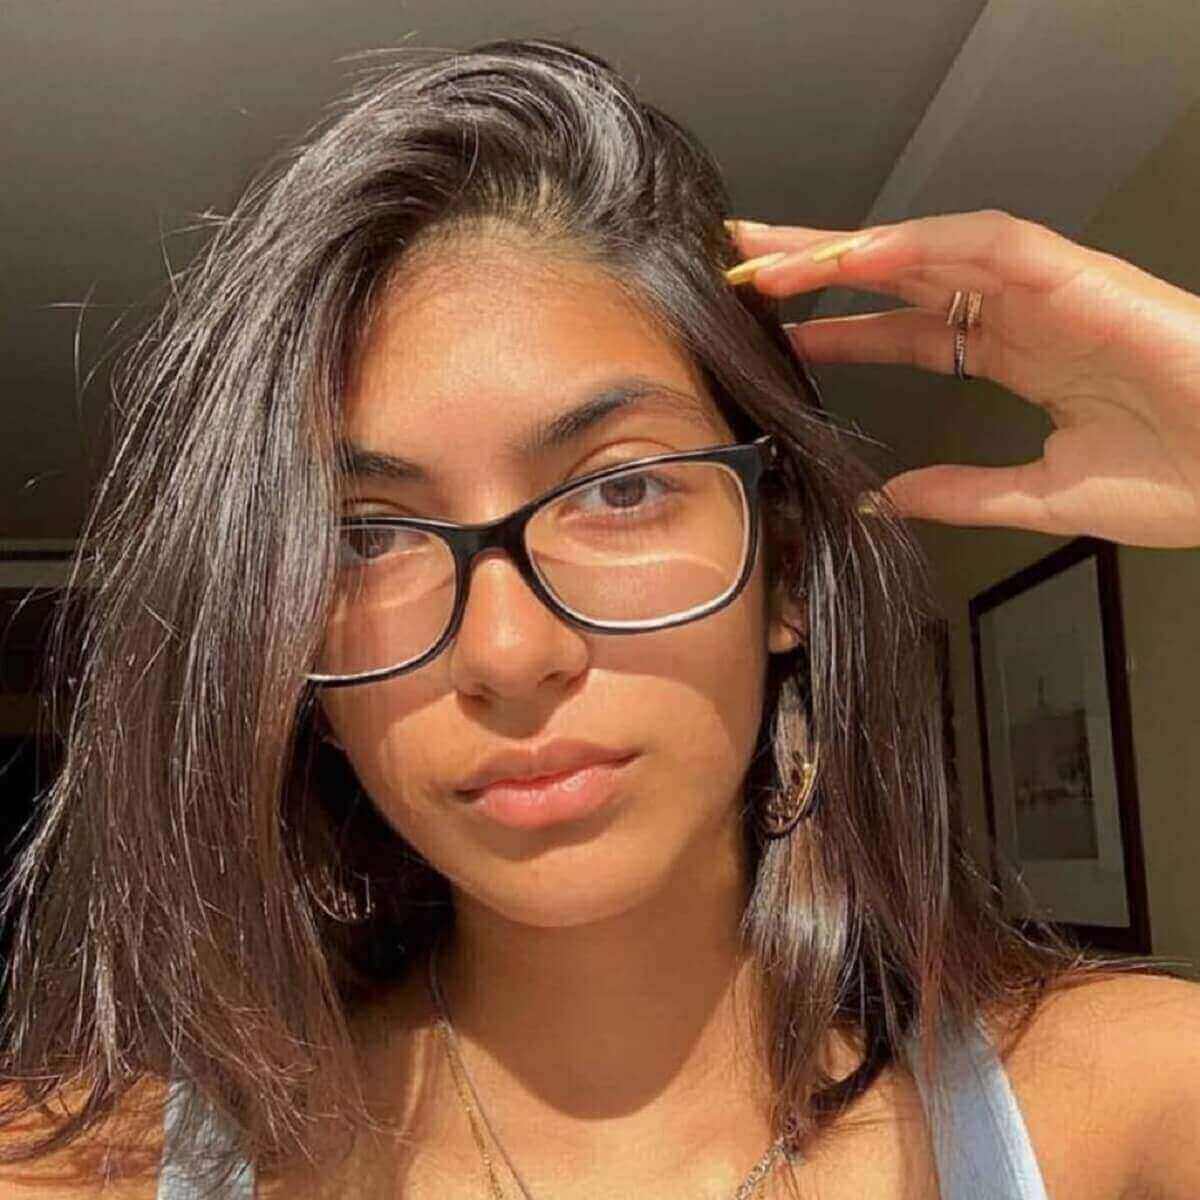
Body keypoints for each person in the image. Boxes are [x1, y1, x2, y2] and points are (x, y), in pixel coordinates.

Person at [1, 35, 1198, 1200]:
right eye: (366, 538)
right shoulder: (68, 1169)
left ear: (783, 570)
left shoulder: (1126, 1104)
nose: (509, 653)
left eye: (620, 491)